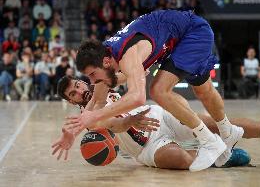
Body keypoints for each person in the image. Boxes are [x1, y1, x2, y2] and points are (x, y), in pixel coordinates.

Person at [74, 9, 244, 171]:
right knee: (203, 91)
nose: (92, 81)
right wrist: (72, 131)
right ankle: (227, 130)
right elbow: (99, 95)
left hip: (192, 32)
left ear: (105, 62)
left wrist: (95, 115)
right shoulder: (106, 53)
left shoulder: (127, 56)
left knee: (159, 91)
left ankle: (210, 142)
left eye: (92, 74)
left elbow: (137, 98)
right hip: (178, 39)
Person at [52, 76, 260, 169]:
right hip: (146, 146)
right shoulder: (88, 118)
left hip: (159, 116)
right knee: (179, 160)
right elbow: (115, 124)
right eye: (72, 93)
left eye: (77, 84)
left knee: (218, 123)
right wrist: (132, 119)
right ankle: (221, 156)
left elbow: (126, 72)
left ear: (82, 81)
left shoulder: (101, 84)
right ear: (71, 101)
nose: (78, 90)